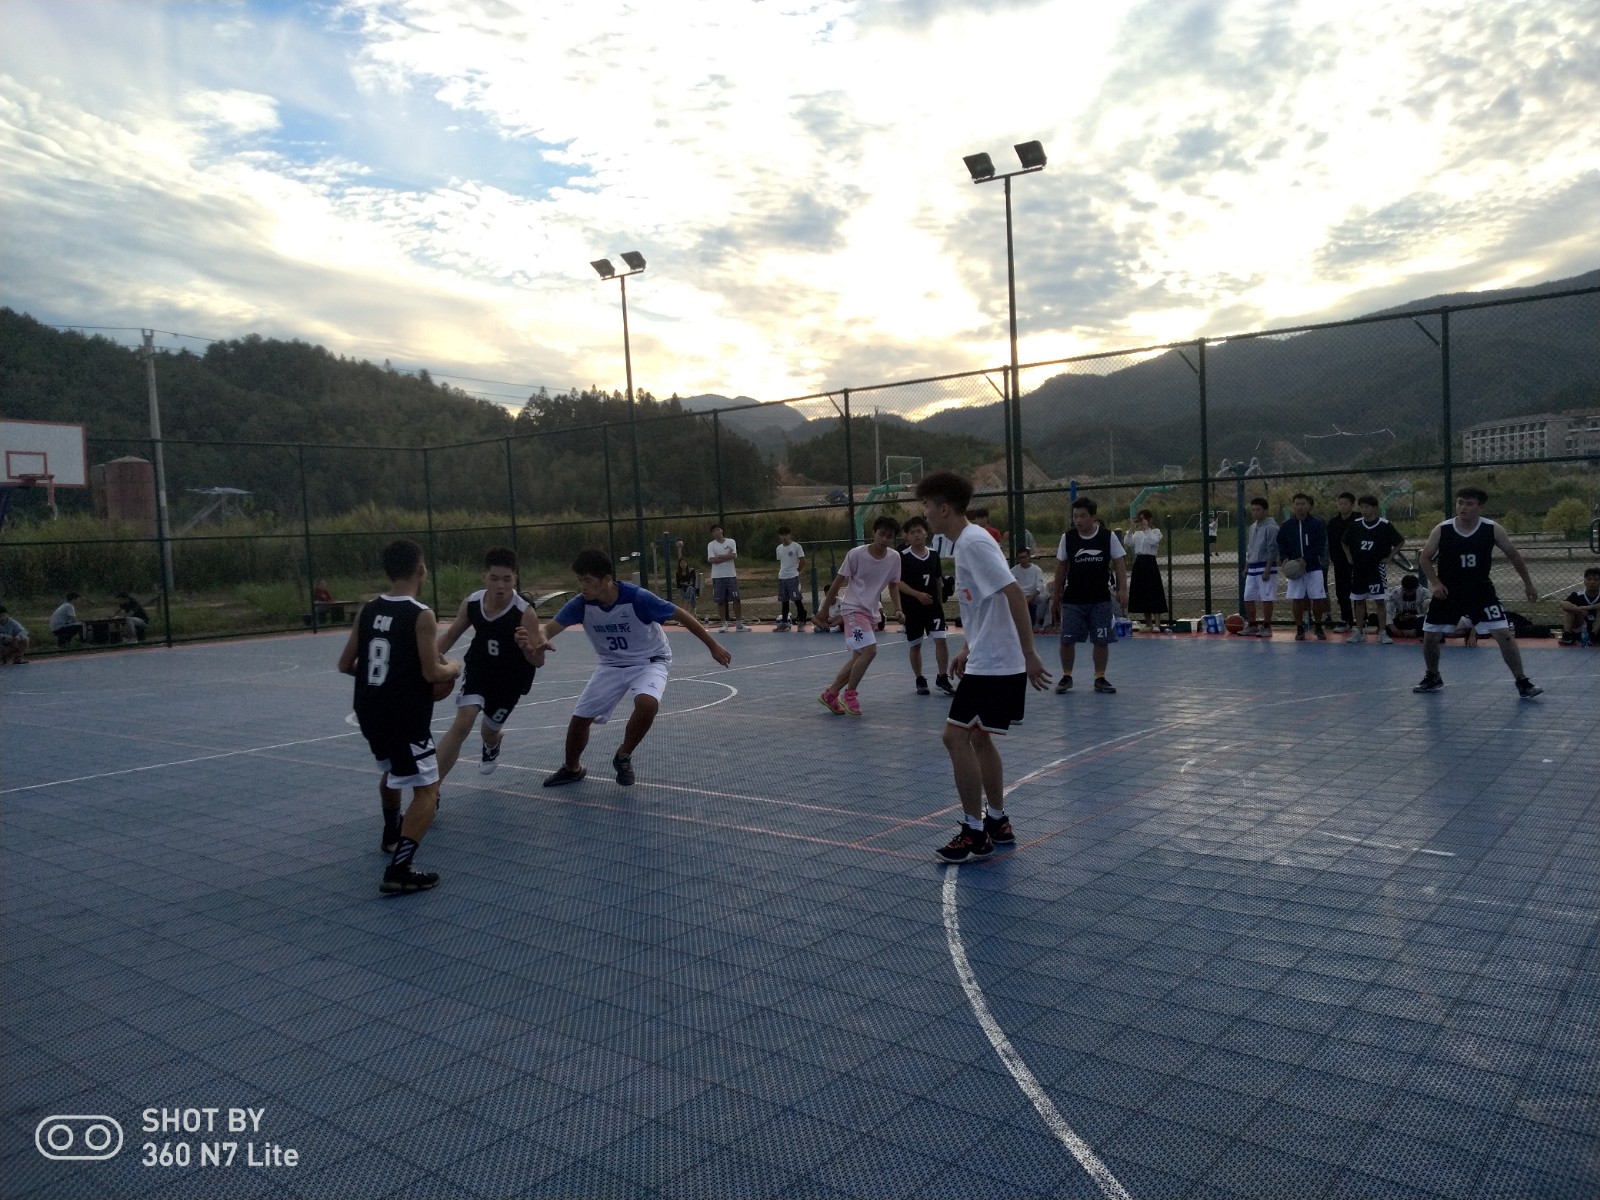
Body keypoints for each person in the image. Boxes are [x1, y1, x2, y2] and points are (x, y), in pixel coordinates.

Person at [914, 471, 1050, 862]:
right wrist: (967, 648)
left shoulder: (973, 543)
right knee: (977, 738)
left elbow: (1014, 594)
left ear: (943, 508)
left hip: (997, 663)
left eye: (927, 506)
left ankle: (974, 832)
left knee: (954, 737)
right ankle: (997, 820)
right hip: (987, 658)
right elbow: (986, 607)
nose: (925, 514)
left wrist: (1029, 653)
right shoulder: (967, 543)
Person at [535, 549, 730, 787]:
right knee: (580, 719)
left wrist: (713, 645)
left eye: (587, 580)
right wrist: (542, 639)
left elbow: (682, 616)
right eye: (580, 580)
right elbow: (548, 628)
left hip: (650, 660)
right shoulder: (581, 604)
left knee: (647, 704)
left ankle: (623, 755)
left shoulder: (637, 598)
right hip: (611, 664)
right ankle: (571, 768)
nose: (582, 586)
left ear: (606, 580)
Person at [336, 539, 461, 895]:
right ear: (421, 570)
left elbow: (345, 664)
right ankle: (400, 869)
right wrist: (453, 666)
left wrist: (384, 677)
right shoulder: (421, 614)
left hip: (369, 711)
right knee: (428, 790)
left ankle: (392, 834)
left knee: (392, 771)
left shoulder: (368, 609)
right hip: (404, 716)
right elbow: (432, 672)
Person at [1414, 487, 1541, 698]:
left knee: (1503, 634)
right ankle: (1433, 676)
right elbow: (1425, 557)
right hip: (1449, 591)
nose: (1463, 507)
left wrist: (1528, 583)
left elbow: (1513, 555)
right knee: (1430, 636)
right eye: (1460, 502)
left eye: (1469, 503)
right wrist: (1435, 583)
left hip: (1480, 591)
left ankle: (1522, 682)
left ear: (1480, 507)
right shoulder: (1443, 529)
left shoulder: (1492, 529)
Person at [434, 548, 543, 780]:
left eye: (507, 579)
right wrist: (427, 657)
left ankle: (493, 743)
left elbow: (538, 661)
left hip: (510, 681)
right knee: (462, 724)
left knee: (488, 731)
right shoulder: (472, 603)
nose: (500, 585)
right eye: (494, 578)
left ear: (515, 578)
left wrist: (527, 648)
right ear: (484, 576)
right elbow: (450, 635)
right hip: (479, 670)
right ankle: (431, 789)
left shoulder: (524, 612)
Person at [816, 516, 904, 716]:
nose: (884, 539)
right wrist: (824, 609)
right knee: (870, 651)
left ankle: (830, 694)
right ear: (874, 532)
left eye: (889, 536)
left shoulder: (894, 558)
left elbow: (893, 585)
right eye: (881, 534)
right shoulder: (856, 554)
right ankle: (850, 695)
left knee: (859, 657)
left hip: (871, 612)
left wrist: (898, 609)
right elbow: (838, 581)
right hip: (853, 609)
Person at [1051, 496, 1128, 694]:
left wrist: (1122, 589)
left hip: (1100, 598)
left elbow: (1119, 562)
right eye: (1075, 516)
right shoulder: (1068, 538)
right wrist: (1056, 595)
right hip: (1073, 599)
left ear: (1093, 517)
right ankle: (1067, 676)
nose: (1078, 520)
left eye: (1082, 516)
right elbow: (1061, 566)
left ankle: (1100, 677)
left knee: (1101, 640)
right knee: (1066, 639)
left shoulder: (1107, 536)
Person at [898, 515, 954, 696]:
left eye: (919, 531)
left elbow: (937, 580)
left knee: (941, 639)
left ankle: (942, 677)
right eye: (912, 532)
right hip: (912, 608)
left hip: (933, 607)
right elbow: (898, 583)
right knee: (915, 645)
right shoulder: (903, 557)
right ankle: (920, 678)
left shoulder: (934, 555)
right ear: (907, 536)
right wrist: (917, 595)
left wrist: (939, 603)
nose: (916, 535)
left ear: (926, 533)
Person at [1343, 495, 1404, 644]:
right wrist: (1349, 557)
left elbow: (1400, 541)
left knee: (1380, 601)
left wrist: (1389, 557)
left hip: (1376, 568)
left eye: (1367, 507)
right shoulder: (1356, 524)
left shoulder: (1384, 525)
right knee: (1358, 601)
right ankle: (1359, 631)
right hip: (1359, 568)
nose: (1364, 510)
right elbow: (1344, 541)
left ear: (1374, 508)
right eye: (1362, 507)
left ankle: (1382, 632)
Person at [1276, 493, 1330, 640]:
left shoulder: (1316, 524)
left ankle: (1318, 626)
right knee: (1297, 598)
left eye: (1303, 504)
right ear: (1293, 506)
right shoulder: (1287, 526)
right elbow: (1281, 544)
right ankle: (1300, 628)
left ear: (1308, 505)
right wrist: (1285, 559)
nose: (1300, 507)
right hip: (1295, 568)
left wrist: (1306, 559)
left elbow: (1320, 545)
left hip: (1313, 567)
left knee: (1317, 597)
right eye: (1297, 504)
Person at [1124, 509, 1168, 632]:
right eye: (1140, 519)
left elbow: (1154, 541)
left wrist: (1147, 528)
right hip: (1139, 562)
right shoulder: (1137, 534)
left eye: (1144, 518)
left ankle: (1157, 624)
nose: (1142, 521)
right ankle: (1149, 624)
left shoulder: (1156, 532)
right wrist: (1132, 528)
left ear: (1149, 519)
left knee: (1154, 591)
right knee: (1143, 592)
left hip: (1150, 562)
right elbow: (1127, 542)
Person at [1243, 497, 1280, 637]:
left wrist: (1267, 569)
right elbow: (1251, 548)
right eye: (1253, 510)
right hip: (1253, 568)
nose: (1255, 512)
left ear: (1265, 510)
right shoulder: (1252, 527)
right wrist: (1247, 566)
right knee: (1248, 597)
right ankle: (1252, 625)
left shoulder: (1272, 527)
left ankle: (1267, 626)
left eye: (1258, 510)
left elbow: (1272, 549)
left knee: (1267, 597)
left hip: (1265, 567)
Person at [1326, 491, 1358, 631]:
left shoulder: (1359, 520)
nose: (1342, 506)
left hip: (1358, 563)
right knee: (1342, 592)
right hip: (1340, 563)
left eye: (1345, 503)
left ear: (1352, 505)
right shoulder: (1333, 523)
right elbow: (1332, 543)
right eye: (1340, 504)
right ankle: (1346, 620)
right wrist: (1334, 559)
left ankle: (1362, 621)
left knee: (1359, 592)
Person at [706, 523, 747, 631]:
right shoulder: (711, 545)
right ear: (712, 534)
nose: (716, 532)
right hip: (718, 576)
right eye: (714, 531)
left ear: (722, 530)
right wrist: (726, 557)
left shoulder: (731, 542)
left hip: (731, 575)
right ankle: (724, 624)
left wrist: (719, 556)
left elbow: (734, 555)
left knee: (736, 599)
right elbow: (712, 560)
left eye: (718, 530)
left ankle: (739, 624)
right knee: (720, 601)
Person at [774, 526, 809, 630]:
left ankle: (801, 620)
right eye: (782, 535)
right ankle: (784, 622)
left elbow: (803, 561)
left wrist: (797, 571)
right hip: (782, 577)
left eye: (786, 534)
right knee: (784, 601)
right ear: (779, 536)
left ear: (789, 535)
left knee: (797, 599)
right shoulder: (779, 548)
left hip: (793, 577)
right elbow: (781, 562)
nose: (784, 537)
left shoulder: (796, 547)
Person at [1558, 567, 1600, 645]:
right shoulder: (1577, 595)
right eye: (1589, 579)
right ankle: (1567, 635)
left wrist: (1587, 607)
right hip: (1579, 627)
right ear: (1584, 581)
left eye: (1596, 580)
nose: (1592, 582)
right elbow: (1563, 604)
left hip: (1597, 629)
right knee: (1569, 608)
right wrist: (1578, 609)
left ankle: (1593, 635)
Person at [1009, 546, 1048, 631]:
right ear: (1017, 559)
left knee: (1043, 598)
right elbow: (1012, 586)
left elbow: (1039, 587)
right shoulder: (1013, 571)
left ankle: (1037, 624)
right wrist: (1022, 597)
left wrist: (1030, 598)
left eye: (1024, 557)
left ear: (1029, 557)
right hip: (1020, 596)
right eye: (1020, 558)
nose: (1023, 560)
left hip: (1033, 595)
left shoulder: (1037, 569)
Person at [1385, 575, 1431, 639]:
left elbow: (1428, 615)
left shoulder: (1425, 593)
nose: (1408, 593)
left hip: (1417, 620)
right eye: (1405, 590)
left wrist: (1414, 616)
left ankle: (1410, 632)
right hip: (1402, 620)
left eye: (1410, 591)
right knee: (1382, 622)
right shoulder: (1395, 593)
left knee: (1425, 623)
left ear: (1416, 587)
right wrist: (1392, 627)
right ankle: (1410, 633)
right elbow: (1389, 612)